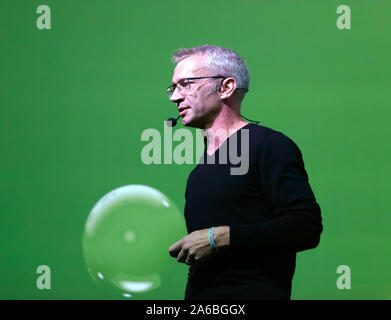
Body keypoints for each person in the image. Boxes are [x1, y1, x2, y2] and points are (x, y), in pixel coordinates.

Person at [167, 45, 323, 300]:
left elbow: (306, 225)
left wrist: (220, 237)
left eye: (186, 83)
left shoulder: (269, 145)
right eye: (173, 88)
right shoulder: (198, 173)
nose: (175, 97)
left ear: (226, 87)